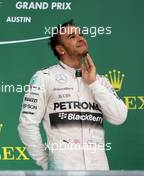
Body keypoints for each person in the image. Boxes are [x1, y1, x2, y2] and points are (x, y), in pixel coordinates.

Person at [18, 20, 128, 170]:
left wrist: (94, 84)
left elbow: (119, 117)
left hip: (100, 171)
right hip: (63, 171)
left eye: (81, 34)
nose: (80, 38)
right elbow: (27, 125)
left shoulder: (100, 81)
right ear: (60, 49)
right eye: (72, 37)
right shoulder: (44, 77)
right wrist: (48, 163)